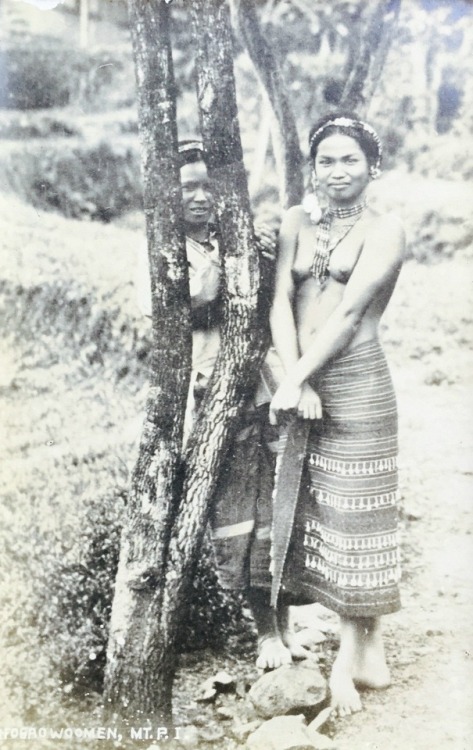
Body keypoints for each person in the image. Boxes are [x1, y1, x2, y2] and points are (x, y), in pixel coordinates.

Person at [267, 113, 405, 715]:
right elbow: (276, 301)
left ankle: (346, 667)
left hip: (358, 382)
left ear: (372, 167)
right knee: (314, 511)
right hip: (299, 379)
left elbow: (349, 314)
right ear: (312, 168)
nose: (338, 170)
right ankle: (369, 653)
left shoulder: (387, 228)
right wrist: (293, 376)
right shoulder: (295, 221)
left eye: (350, 159)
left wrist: (298, 378)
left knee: (357, 522)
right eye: (326, 160)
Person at [136, 140, 288, 668]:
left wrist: (262, 254)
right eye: (187, 189)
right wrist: (236, 262)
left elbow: (264, 301)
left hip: (258, 385)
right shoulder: (163, 250)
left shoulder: (234, 237)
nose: (200, 199)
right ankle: (258, 631)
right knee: (233, 510)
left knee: (272, 501)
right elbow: (191, 305)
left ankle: (280, 628)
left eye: (208, 187)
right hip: (205, 396)